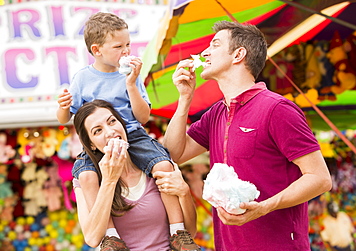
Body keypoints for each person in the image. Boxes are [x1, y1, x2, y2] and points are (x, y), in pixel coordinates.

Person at [163, 20, 332, 250]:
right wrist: (184, 100)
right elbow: (173, 153)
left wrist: (264, 207)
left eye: (215, 44)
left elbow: (320, 178)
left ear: (238, 54)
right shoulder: (216, 113)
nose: (205, 52)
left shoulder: (277, 109)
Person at [56, 12, 200, 251]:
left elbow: (143, 117)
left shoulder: (131, 75)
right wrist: (62, 107)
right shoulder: (82, 78)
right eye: (118, 46)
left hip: (133, 135)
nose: (126, 51)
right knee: (87, 176)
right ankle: (111, 238)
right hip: (97, 147)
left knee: (164, 165)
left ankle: (178, 233)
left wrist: (131, 84)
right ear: (97, 50)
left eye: (128, 45)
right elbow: (65, 118)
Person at [72, 99, 198, 251]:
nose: (110, 132)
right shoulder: (86, 180)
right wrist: (109, 181)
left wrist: (184, 193)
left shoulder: (157, 169)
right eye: (97, 131)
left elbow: (190, 232)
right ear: (91, 144)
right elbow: (92, 238)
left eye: (112, 122)